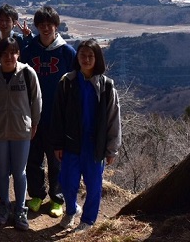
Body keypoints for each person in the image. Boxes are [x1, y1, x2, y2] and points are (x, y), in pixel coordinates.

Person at [53, 39, 121, 233]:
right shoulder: (67, 81)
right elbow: (57, 116)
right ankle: (71, 210)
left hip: (94, 145)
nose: (86, 59)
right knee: (67, 181)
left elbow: (113, 119)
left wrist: (111, 148)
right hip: (70, 142)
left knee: (94, 186)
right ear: (77, 57)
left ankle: (88, 220)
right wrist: (57, 143)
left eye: (91, 56)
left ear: (97, 59)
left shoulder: (107, 86)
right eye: (82, 55)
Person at [20, 5, 76, 218]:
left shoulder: (66, 52)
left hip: (57, 116)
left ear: (56, 26)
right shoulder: (29, 50)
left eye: (49, 24)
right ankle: (36, 195)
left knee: (56, 160)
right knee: (33, 158)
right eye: (41, 25)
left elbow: (75, 84)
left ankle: (57, 198)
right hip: (32, 114)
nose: (45, 28)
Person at [0, 36, 42, 230]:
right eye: (4, 53)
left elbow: (36, 100)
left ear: (18, 53)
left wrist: (34, 123)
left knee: (19, 171)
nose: (9, 57)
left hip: (20, 129)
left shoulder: (27, 73)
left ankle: (20, 209)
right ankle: (4, 206)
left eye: (12, 52)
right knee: (1, 170)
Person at [0, 4, 32, 68]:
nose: (4, 23)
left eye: (7, 20)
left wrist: (28, 36)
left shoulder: (20, 39)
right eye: (1, 20)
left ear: (14, 23)